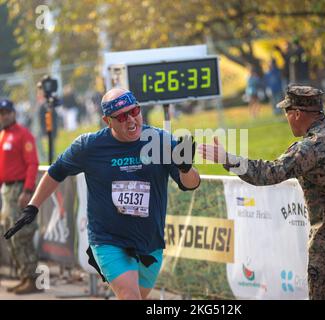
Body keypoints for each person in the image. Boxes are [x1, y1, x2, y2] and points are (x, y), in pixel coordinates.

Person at [4, 88, 201, 300]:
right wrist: (33, 206)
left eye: (135, 111)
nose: (131, 120)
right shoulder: (89, 145)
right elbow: (56, 172)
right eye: (122, 116)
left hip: (149, 241)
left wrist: (185, 169)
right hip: (108, 239)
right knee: (129, 296)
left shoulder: (160, 141)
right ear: (108, 121)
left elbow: (190, 184)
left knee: (137, 297)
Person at [199, 85, 325, 300]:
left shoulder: (311, 148)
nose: (286, 118)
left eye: (286, 112)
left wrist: (227, 159)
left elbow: (267, 174)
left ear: (296, 113)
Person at [0, 98, 40, 295]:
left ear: (13, 113)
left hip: (19, 190)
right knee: (10, 235)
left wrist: (27, 190)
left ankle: (33, 280)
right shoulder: (3, 135)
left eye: (6, 112)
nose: (4, 116)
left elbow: (33, 163)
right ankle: (24, 277)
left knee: (22, 235)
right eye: (1, 113)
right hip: (7, 192)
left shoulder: (23, 135)